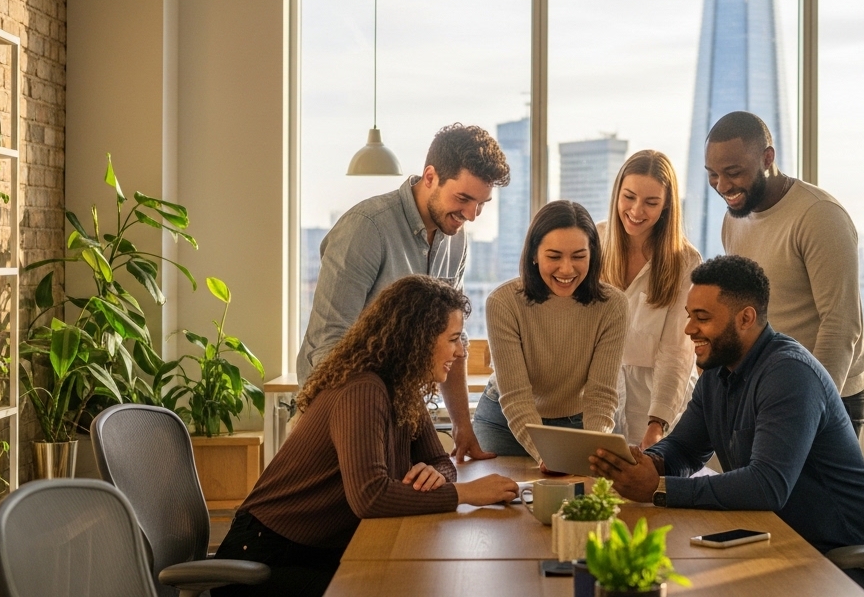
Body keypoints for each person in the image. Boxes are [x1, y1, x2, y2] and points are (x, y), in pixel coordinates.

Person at [588, 256, 864, 595]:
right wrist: (648, 463)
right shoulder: (718, 372)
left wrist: (659, 488)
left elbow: (766, 486)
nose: (689, 329)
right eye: (690, 316)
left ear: (746, 318)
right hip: (772, 541)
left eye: (702, 318)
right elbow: (685, 448)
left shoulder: (789, 374)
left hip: (837, 561)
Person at [218, 276, 520, 597]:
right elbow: (370, 496)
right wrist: (465, 493)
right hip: (266, 559)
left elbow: (437, 460)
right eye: (454, 339)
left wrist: (436, 474)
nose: (460, 352)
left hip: (316, 551)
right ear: (417, 339)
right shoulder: (363, 389)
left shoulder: (401, 387)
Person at [297, 123, 510, 460]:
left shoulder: (456, 240)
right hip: (340, 413)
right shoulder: (366, 228)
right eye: (464, 199)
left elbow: (454, 340)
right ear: (430, 177)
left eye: (481, 204)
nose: (471, 215)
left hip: (399, 416)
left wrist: (463, 429)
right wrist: (367, 418)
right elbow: (328, 346)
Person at [705, 111, 864, 434]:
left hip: (827, 396)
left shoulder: (819, 216)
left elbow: (841, 326)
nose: (723, 185)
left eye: (734, 172)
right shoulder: (734, 220)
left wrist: (811, 408)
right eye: (713, 174)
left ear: (768, 158)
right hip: (768, 392)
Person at [471, 200, 627, 462]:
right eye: (554, 256)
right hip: (504, 424)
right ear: (534, 254)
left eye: (579, 256)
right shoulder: (503, 302)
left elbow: (600, 396)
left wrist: (594, 450)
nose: (566, 269)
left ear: (593, 254)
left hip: (575, 426)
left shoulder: (613, 305)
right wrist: (547, 457)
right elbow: (516, 397)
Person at [598, 150, 701, 449]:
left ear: (667, 205)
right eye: (629, 197)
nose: (636, 210)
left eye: (651, 203)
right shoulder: (595, 239)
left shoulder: (685, 262)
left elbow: (676, 354)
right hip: (601, 395)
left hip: (659, 398)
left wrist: (656, 425)